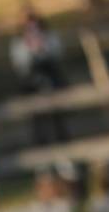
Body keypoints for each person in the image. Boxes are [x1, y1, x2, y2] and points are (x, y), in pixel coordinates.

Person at [9, 8, 69, 146]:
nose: (32, 30)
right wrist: (30, 50)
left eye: (35, 26)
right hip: (31, 84)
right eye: (29, 27)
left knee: (57, 119)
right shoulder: (19, 44)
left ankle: (63, 147)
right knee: (37, 121)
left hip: (51, 80)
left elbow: (58, 54)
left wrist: (43, 48)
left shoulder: (50, 38)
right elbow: (19, 65)